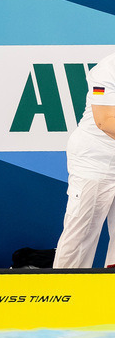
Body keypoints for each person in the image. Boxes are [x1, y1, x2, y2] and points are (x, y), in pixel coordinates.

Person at [54, 51, 115, 268]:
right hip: (95, 161)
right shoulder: (108, 68)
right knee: (81, 235)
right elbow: (106, 121)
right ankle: (64, 294)